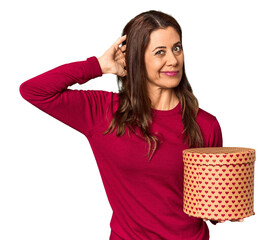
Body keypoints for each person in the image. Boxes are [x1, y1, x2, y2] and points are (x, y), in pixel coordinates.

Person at [19, 10, 240, 240]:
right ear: (136, 58)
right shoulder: (102, 113)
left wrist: (225, 208)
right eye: (160, 52)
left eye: (176, 48)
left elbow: (208, 207)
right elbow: (34, 91)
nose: (173, 60)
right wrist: (97, 66)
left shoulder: (205, 125)